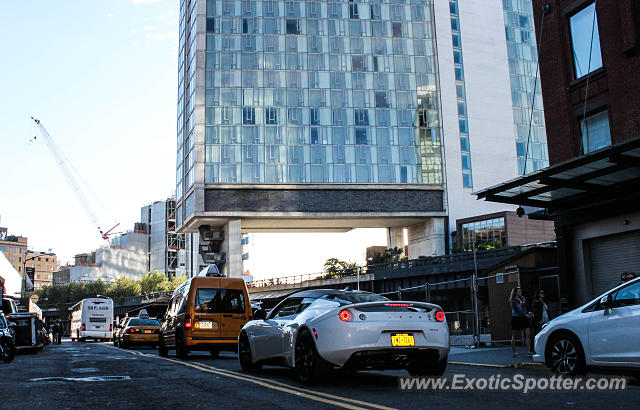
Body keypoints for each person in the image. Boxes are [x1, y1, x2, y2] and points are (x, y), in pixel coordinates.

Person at [510, 286, 533, 357]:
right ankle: (514, 352)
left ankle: (529, 351)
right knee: (515, 336)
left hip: (524, 318)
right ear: (516, 292)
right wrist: (525, 315)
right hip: (516, 318)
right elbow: (518, 310)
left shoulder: (523, 299)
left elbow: (525, 308)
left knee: (528, 334)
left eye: (521, 291)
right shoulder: (513, 300)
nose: (521, 292)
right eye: (519, 291)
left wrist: (529, 313)